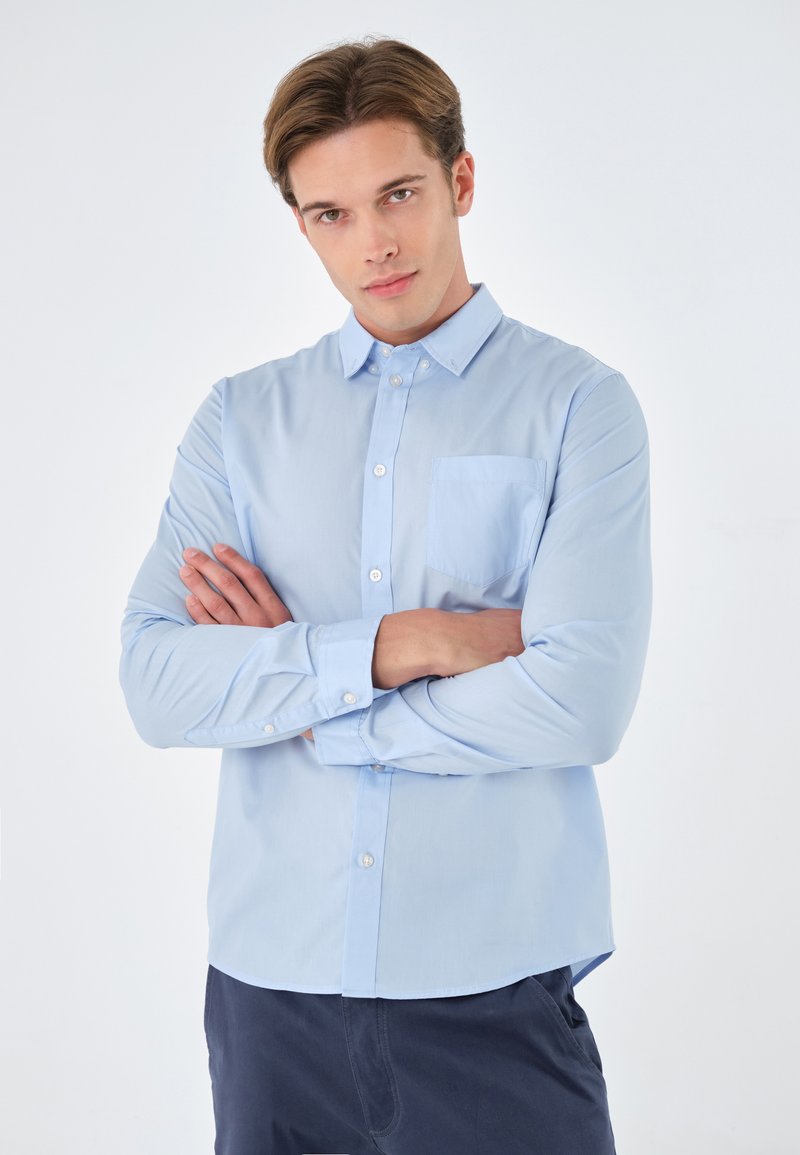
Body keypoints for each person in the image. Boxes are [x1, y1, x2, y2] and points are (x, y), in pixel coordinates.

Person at [120, 36, 651, 1155]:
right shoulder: (239, 423)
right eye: (332, 213)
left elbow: (580, 702)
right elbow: (158, 682)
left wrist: (306, 700)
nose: (375, 243)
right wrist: (404, 644)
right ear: (301, 224)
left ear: (461, 179)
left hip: (493, 993)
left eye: (398, 194)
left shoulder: (577, 407)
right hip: (270, 997)